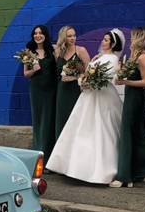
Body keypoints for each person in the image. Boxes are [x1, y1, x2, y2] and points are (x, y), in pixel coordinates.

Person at [46, 28, 124, 185]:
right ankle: (77, 168)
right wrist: (82, 79)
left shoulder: (112, 59)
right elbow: (89, 73)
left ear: (113, 44)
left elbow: (104, 78)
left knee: (102, 131)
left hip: (102, 97)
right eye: (103, 39)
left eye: (107, 40)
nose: (103, 41)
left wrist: (84, 81)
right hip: (89, 95)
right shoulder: (99, 56)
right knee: (82, 130)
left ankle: (103, 170)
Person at [112, 27, 145, 188]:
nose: (131, 39)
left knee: (127, 132)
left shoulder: (143, 57)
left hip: (137, 98)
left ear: (139, 38)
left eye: (133, 37)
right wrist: (120, 72)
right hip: (131, 96)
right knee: (139, 132)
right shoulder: (132, 56)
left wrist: (125, 82)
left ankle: (125, 177)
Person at [23, 25, 57, 161]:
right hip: (36, 90)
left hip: (51, 90)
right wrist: (34, 69)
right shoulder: (28, 52)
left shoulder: (52, 50)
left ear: (45, 35)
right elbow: (25, 74)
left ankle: (50, 158)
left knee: (49, 123)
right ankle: (39, 158)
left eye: (40, 33)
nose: (38, 35)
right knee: (38, 122)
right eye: (35, 33)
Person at [54, 25, 90, 142]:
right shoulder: (58, 51)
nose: (73, 38)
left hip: (76, 91)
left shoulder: (81, 51)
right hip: (62, 91)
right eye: (69, 36)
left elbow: (89, 74)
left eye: (74, 35)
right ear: (63, 37)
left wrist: (74, 77)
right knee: (62, 120)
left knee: (75, 119)